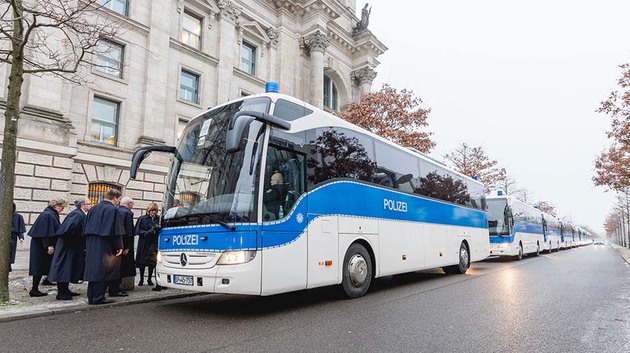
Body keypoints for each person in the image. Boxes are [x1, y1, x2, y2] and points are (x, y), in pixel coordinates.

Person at [84, 189, 125, 305]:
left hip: (92, 242)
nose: (118, 202)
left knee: (93, 270)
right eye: (118, 199)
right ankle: (98, 297)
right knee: (103, 269)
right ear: (115, 198)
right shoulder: (113, 210)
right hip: (105, 242)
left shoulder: (93, 208)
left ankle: (91, 296)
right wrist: (119, 246)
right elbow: (116, 230)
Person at [48, 198, 90, 300]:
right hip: (68, 246)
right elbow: (70, 229)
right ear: (82, 205)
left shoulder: (78, 214)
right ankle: (62, 293)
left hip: (69, 245)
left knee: (68, 268)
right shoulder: (77, 214)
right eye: (88, 204)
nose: (90, 206)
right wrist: (76, 241)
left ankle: (65, 290)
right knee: (64, 268)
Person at [27, 199, 67, 297]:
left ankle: (46, 280)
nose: (62, 209)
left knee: (43, 265)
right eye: (62, 207)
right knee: (39, 267)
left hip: (41, 244)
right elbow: (45, 231)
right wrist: (49, 245)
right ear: (56, 206)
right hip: (41, 245)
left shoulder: (50, 214)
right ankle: (34, 289)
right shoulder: (48, 215)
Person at [108, 196, 136, 297]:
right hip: (123, 245)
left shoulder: (116, 210)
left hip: (116, 244)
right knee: (121, 268)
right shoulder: (127, 213)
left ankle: (113, 287)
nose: (133, 206)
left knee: (115, 267)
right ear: (129, 204)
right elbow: (128, 231)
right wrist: (127, 247)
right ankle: (115, 289)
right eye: (132, 204)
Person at [135, 202, 160, 286]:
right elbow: (137, 230)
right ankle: (141, 279)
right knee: (143, 262)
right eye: (153, 210)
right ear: (149, 210)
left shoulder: (158, 219)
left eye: (155, 211)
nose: (154, 212)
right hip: (144, 243)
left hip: (154, 243)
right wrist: (147, 232)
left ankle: (149, 279)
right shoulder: (142, 218)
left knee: (152, 262)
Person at [10, 203, 26, 272]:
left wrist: (21, 237)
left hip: (12, 238)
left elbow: (20, 230)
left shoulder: (18, 216)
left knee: (9, 254)